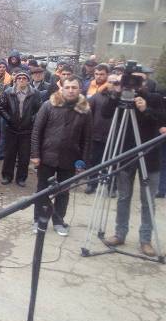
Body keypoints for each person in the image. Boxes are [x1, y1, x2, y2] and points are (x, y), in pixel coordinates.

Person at [103, 69, 166, 256]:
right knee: (123, 197)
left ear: (146, 81)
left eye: (139, 80)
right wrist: (116, 92)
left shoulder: (154, 98)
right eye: (131, 80)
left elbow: (162, 120)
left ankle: (145, 240)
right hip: (125, 154)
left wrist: (146, 109)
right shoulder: (121, 97)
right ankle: (120, 233)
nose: (135, 84)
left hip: (150, 155)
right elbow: (106, 113)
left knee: (148, 200)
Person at [31, 75, 92, 236]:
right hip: (47, 156)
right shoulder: (48, 105)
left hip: (70, 158)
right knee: (42, 190)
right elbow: (37, 131)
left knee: (63, 192)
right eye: (67, 87)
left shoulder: (85, 111)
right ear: (62, 88)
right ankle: (38, 219)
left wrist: (82, 162)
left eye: (74, 87)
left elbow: (87, 139)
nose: (71, 90)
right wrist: (35, 154)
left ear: (80, 90)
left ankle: (58, 221)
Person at [0, 71, 41, 187]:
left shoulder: (35, 93)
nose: (21, 80)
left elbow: (39, 109)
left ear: (28, 80)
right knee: (9, 154)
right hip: (11, 129)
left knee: (24, 156)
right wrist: (9, 118)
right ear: (15, 80)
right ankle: (7, 176)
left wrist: (32, 119)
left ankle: (21, 178)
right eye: (19, 78)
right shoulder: (8, 92)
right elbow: (1, 107)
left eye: (24, 78)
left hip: (27, 130)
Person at [85, 73, 119, 194]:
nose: (112, 85)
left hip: (115, 135)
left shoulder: (122, 99)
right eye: (110, 82)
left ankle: (112, 187)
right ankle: (92, 184)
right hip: (97, 134)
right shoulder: (97, 96)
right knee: (94, 161)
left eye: (116, 82)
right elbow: (88, 112)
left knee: (113, 162)